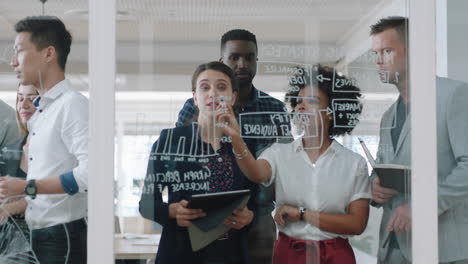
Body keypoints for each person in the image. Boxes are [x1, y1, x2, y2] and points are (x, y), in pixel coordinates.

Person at [219, 65, 371, 264]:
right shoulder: (279, 153)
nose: (300, 106)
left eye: (311, 101)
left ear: (330, 112)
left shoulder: (354, 163)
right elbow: (256, 173)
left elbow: (356, 224)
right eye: (298, 102)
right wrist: (236, 139)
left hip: (336, 256)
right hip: (290, 255)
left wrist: (302, 215)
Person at [176, 29, 291, 264]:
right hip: (207, 214)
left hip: (259, 217)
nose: (242, 63)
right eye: (234, 57)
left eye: (250, 57)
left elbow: (287, 166)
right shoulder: (195, 106)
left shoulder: (275, 109)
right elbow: (181, 159)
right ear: (222, 61)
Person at [370, 16, 468, 264]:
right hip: (392, 247)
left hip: (442, 248)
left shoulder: (453, 95)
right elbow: (384, 165)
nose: (378, 61)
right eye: (376, 53)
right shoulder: (388, 116)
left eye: (387, 51)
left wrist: (423, 207)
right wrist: (374, 187)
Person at [140, 61, 256, 264]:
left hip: (231, 254)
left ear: (233, 96)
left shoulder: (242, 146)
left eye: (221, 87)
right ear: (195, 97)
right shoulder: (170, 141)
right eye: (205, 87)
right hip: (181, 253)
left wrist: (249, 216)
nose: (213, 93)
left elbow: (254, 200)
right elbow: (146, 204)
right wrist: (171, 211)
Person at [0, 16, 88, 263]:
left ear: (48, 53)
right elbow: (47, 193)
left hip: (62, 238)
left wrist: (26, 187)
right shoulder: (42, 113)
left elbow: (91, 175)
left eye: (19, 51)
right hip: (40, 236)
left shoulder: (72, 105)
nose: (12, 61)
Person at [0, 84, 38, 263]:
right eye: (20, 98)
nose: (24, 104)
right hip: (10, 243)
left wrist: (11, 206)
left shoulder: (56, 148)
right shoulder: (14, 148)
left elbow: (56, 192)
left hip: (45, 242)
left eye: (32, 98)